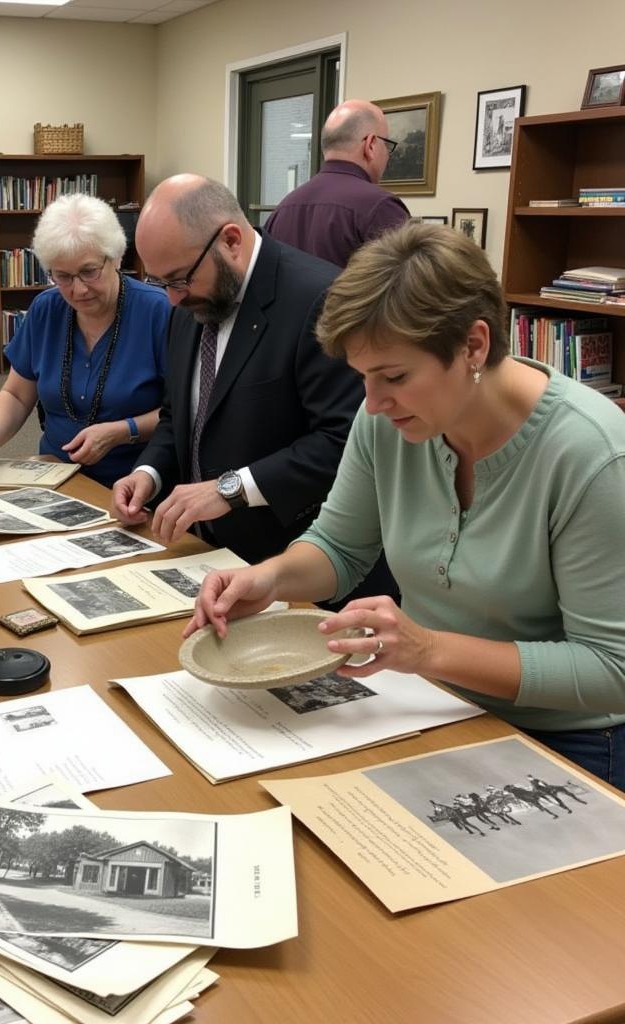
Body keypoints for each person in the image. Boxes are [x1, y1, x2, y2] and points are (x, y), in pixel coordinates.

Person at [187, 221, 625, 790]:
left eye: (393, 376)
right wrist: (269, 579)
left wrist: (431, 650)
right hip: (430, 701)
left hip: (564, 738)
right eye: (363, 376)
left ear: (474, 345)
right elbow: (340, 546)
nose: (371, 402)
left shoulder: (591, 456)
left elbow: (610, 670)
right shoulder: (388, 422)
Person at [111, 174, 397, 602]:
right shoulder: (189, 302)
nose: (171, 299)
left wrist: (232, 488)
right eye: (161, 283)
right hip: (208, 560)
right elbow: (178, 416)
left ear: (230, 241)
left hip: (306, 575)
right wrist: (147, 474)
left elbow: (344, 441)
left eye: (179, 279)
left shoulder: (320, 298)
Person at [0, 193, 169, 489]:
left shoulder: (159, 312)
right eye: (63, 276)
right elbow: (17, 395)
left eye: (89, 272)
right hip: (54, 477)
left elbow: (185, 413)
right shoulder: (46, 309)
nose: (78, 289)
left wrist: (123, 431)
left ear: (117, 257)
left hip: (134, 483)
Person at [264, 99, 409, 268]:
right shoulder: (380, 208)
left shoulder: (283, 208)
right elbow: (410, 287)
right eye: (386, 145)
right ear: (370, 145)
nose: (387, 154)